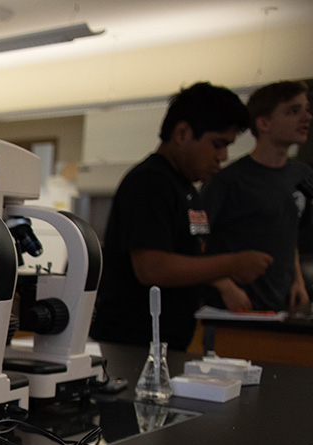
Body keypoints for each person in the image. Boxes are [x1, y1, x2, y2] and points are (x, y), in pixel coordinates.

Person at [90, 82, 273, 350]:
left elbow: (185, 256)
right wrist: (232, 264)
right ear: (182, 133)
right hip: (131, 341)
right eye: (217, 144)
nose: (222, 156)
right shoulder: (150, 182)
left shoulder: (185, 187)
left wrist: (222, 283)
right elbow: (152, 268)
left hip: (166, 340)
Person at [201, 81, 313, 312]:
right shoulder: (228, 180)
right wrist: (225, 287)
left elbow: (288, 232)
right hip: (234, 305)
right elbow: (195, 244)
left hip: (281, 304)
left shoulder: (302, 175)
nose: (307, 117)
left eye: (306, 109)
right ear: (263, 123)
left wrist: (298, 280)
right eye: (294, 111)